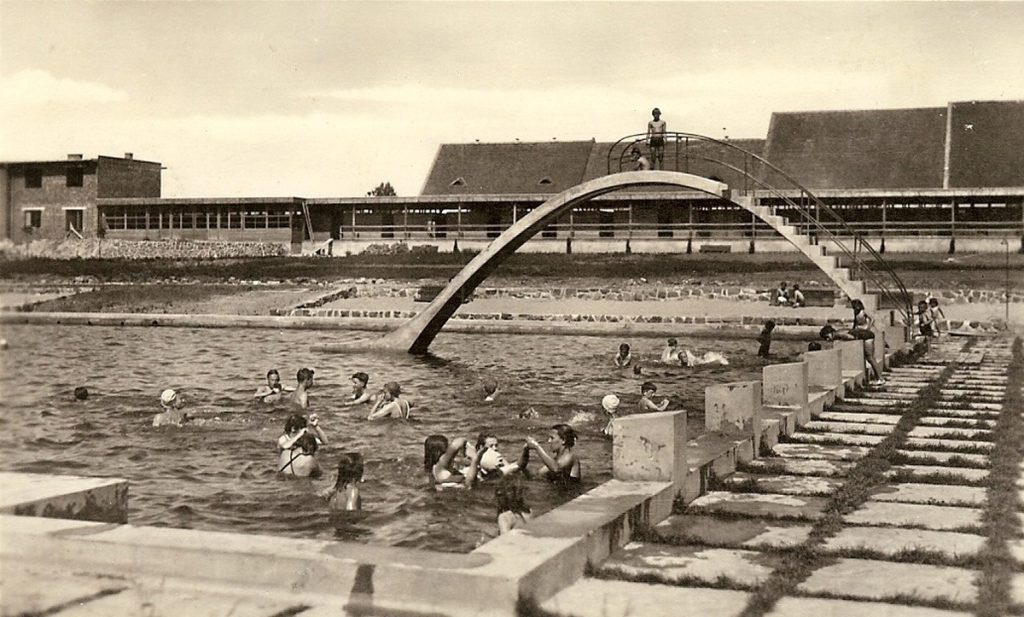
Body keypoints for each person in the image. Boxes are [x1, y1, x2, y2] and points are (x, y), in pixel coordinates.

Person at [517, 424, 581, 487]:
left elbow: (556, 469)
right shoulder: (554, 461)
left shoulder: (571, 457)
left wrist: (537, 447)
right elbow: (536, 475)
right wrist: (525, 452)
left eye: (552, 438)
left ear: (563, 440)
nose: (549, 441)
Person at [849, 299, 886, 386]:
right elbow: (855, 323)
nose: (855, 308)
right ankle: (873, 377)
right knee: (865, 356)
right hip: (860, 333)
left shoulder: (863, 312)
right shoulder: (856, 313)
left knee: (870, 357)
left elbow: (872, 319)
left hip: (866, 334)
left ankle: (880, 378)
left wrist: (868, 328)